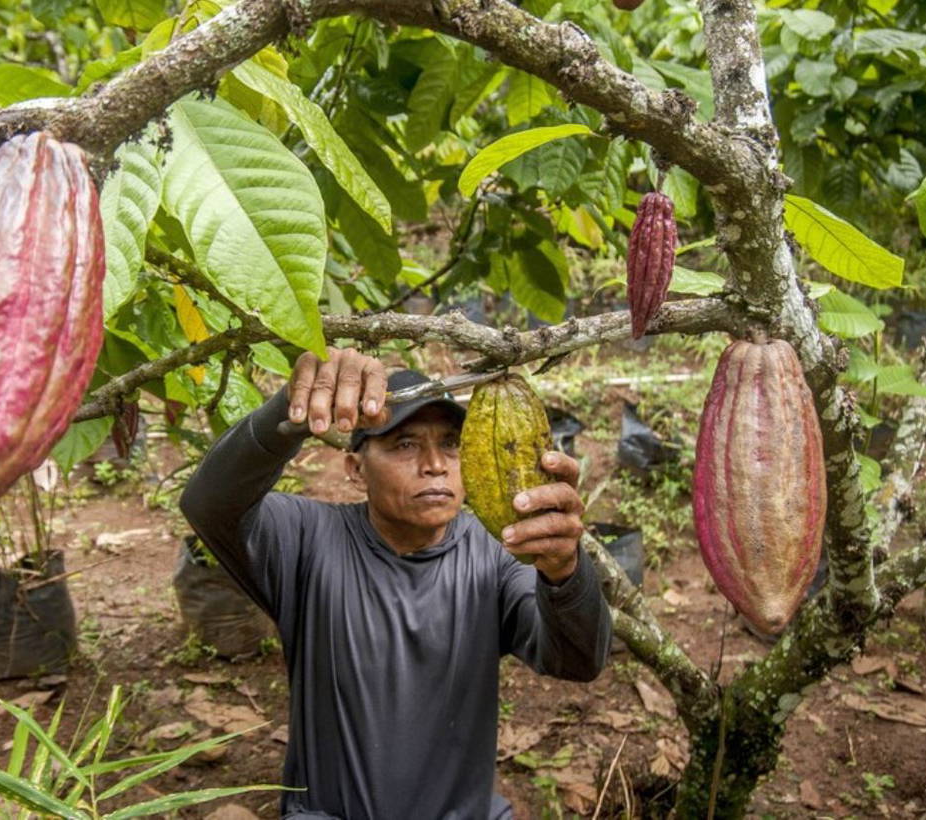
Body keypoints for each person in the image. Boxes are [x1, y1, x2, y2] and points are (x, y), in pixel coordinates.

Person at [179, 348, 612, 819]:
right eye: (404, 444)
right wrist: (292, 410)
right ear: (355, 469)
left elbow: (578, 659)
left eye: (450, 443)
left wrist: (564, 569)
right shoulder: (306, 538)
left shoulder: (497, 554)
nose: (434, 464)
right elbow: (210, 503)